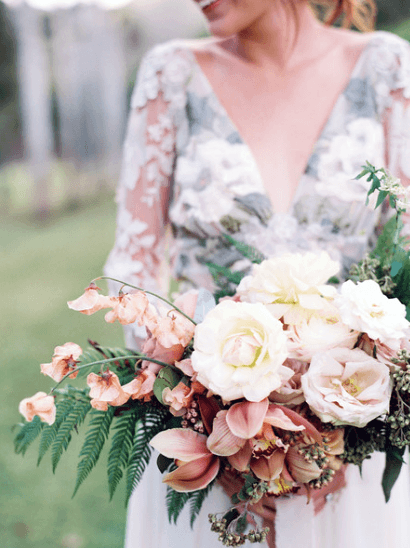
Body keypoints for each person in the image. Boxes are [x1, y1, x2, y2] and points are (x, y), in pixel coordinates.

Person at [104, 0, 410, 546]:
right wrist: (214, 417)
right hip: (209, 456)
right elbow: (134, 269)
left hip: (355, 468)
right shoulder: (170, 75)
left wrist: (338, 436)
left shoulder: (388, 69)